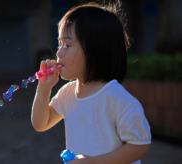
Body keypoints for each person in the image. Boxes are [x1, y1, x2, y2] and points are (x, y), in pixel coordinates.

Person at [31, 1, 151, 164]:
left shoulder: (118, 100)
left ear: (95, 52)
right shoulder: (67, 93)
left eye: (67, 44)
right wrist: (44, 88)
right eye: (59, 44)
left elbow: (140, 146)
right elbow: (41, 124)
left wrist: (93, 162)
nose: (58, 52)